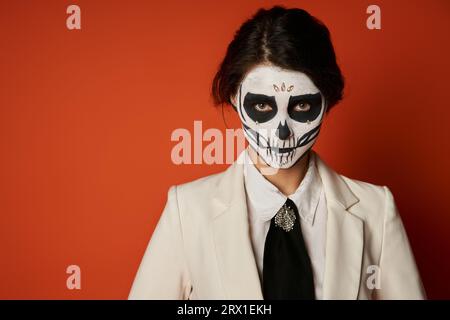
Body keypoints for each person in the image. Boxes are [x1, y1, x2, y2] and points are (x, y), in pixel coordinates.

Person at [128, 6, 425, 300]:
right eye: (262, 106)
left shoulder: (376, 212)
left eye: (302, 106)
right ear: (235, 97)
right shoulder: (188, 212)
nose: (281, 131)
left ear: (327, 101)